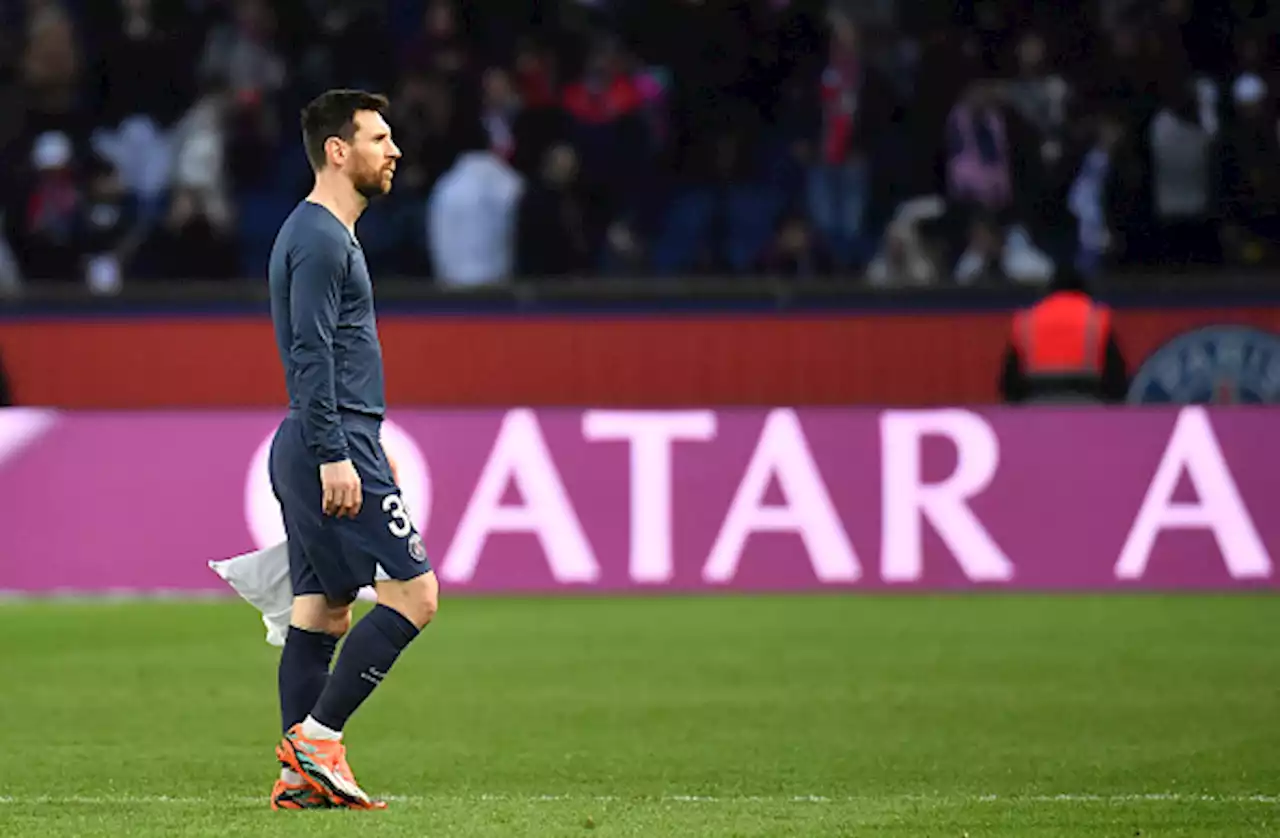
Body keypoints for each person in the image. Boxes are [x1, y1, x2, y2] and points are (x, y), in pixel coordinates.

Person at [265, 89, 438, 811]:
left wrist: (364, 439)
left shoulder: (325, 233)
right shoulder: (321, 239)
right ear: (339, 151)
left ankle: (300, 782)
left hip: (327, 436)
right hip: (324, 442)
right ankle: (317, 739)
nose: (393, 151)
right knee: (416, 597)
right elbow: (308, 352)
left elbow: (327, 353)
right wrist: (340, 452)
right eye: (379, 138)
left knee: (324, 609)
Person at [999, 266, 1128, 404]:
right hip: (1088, 404)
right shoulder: (1096, 318)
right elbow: (1116, 380)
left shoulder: (1027, 320)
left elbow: (1009, 383)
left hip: (1035, 404)